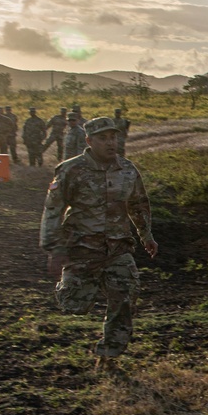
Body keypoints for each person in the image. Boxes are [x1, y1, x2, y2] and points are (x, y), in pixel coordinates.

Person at [39, 116, 158, 371]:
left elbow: (138, 204)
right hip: (82, 248)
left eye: (113, 137)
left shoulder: (127, 169)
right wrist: (55, 249)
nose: (110, 143)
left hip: (117, 248)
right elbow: (52, 210)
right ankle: (69, 288)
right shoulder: (71, 169)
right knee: (75, 305)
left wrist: (146, 235)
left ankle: (109, 357)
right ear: (89, 141)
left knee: (125, 295)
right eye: (103, 138)